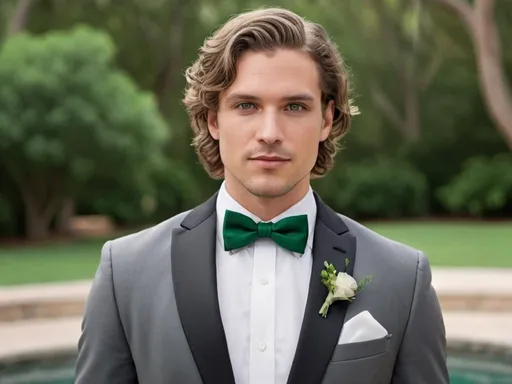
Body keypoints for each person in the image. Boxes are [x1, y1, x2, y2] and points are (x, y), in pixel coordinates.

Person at [74, 7, 449, 384]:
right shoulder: (123, 273)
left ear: (326, 119)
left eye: (294, 107)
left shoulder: (403, 279)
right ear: (213, 119)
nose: (269, 131)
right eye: (247, 105)